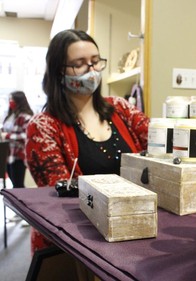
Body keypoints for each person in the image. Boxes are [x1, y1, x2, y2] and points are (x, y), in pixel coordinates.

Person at [25, 29, 149, 255]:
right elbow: (62, 196)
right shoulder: (43, 127)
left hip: (133, 229)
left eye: (95, 61)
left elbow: (157, 149)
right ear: (58, 71)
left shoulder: (121, 109)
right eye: (79, 64)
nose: (91, 71)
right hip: (77, 243)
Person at [1, 91, 34, 188]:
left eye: (12, 99)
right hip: (7, 154)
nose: (10, 102)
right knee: (14, 183)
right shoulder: (11, 116)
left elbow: (25, 136)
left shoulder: (26, 117)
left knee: (18, 185)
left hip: (19, 156)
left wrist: (7, 136)